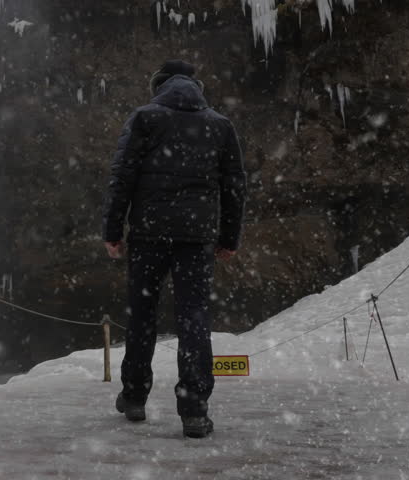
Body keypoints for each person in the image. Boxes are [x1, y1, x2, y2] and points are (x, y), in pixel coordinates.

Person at [102, 60, 247, 438]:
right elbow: (235, 186)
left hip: (148, 235)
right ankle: (195, 410)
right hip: (195, 240)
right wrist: (229, 237)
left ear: (158, 85)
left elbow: (123, 177)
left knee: (141, 316)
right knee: (194, 319)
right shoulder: (219, 124)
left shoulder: (145, 118)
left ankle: (134, 397)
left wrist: (113, 230)